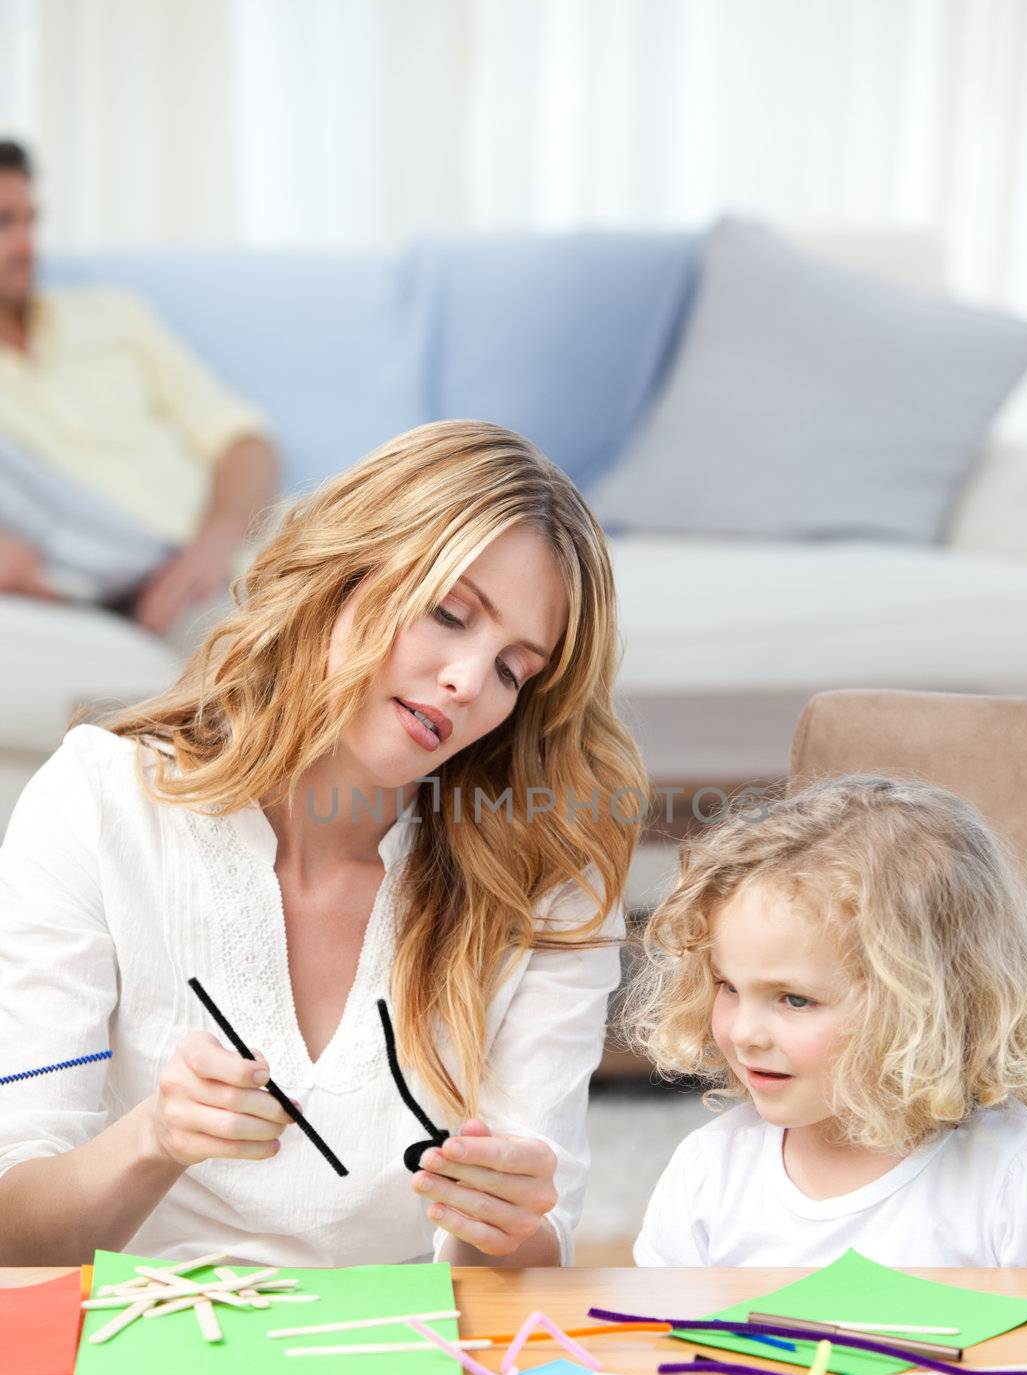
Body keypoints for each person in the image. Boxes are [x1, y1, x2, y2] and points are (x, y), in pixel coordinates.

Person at [0, 419, 649, 1268]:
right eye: (449, 615)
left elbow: (528, 1255)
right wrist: (152, 1138)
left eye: (511, 670)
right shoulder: (100, 802)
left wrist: (511, 1226)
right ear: (341, 578)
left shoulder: (541, 877)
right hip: (143, 1347)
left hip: (406, 1359)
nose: (466, 682)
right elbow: (15, 1233)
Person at [626, 775, 1027, 1268]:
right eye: (727, 987)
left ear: (923, 1004)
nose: (745, 1033)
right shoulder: (710, 1170)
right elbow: (656, 1335)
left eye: (794, 1000)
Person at [0, 138, 278, 645]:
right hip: (167, 600)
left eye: (31, 220)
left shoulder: (113, 314)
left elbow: (245, 441)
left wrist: (216, 540)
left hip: (255, 537)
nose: (27, 245)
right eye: (4, 223)